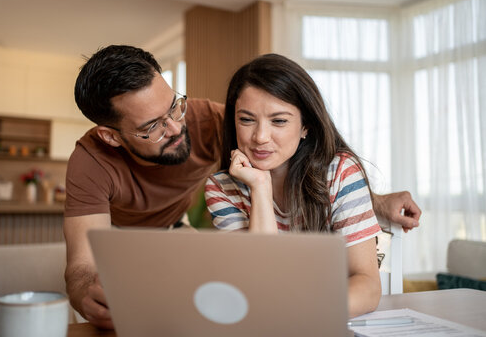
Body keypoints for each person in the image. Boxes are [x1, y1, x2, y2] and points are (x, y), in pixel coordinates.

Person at [64, 45, 421, 329]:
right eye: (152, 126)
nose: (175, 127)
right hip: (130, 240)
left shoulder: (218, 120)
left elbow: (286, 142)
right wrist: (86, 294)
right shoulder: (91, 162)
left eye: (174, 106)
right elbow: (82, 265)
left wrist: (370, 200)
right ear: (111, 136)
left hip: (182, 231)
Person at [205, 54, 386, 317]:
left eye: (278, 121)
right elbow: (260, 280)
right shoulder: (221, 188)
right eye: (246, 120)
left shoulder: (339, 172)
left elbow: (367, 286)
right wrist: (260, 187)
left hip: (323, 318)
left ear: (305, 127)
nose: (260, 137)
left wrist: (302, 317)